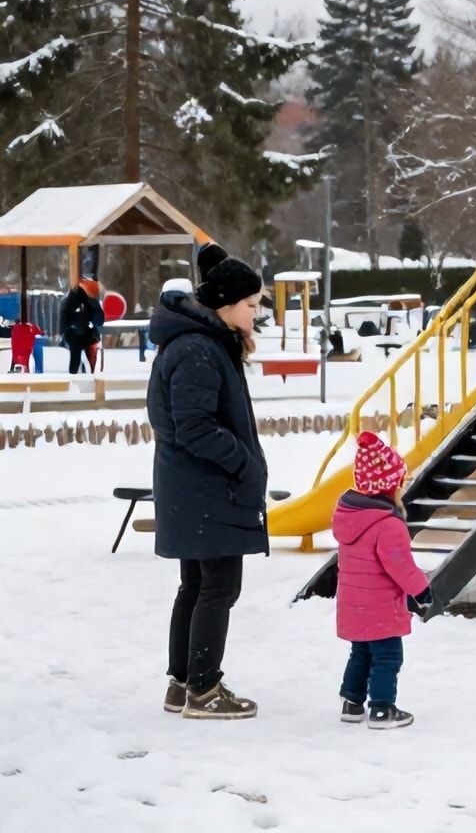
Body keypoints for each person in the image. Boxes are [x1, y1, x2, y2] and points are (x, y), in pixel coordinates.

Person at [147, 243, 269, 720]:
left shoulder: (202, 343)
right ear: (225, 305)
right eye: (251, 305)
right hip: (207, 487)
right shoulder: (198, 350)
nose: (256, 314)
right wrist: (242, 463)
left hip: (195, 487)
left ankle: (182, 684)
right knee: (218, 586)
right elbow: (193, 425)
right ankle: (203, 688)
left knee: (196, 585)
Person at [333, 431, 432, 730]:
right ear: (390, 486)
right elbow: (400, 566)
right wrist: (422, 590)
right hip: (380, 607)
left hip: (354, 605)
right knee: (388, 656)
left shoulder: (350, 517)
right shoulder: (388, 525)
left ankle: (352, 703)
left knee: (360, 652)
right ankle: (381, 708)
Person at [60, 277, 104, 374]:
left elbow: (63, 319)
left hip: (80, 334)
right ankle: (86, 374)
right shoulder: (87, 302)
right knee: (81, 360)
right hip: (82, 334)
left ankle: (78, 375)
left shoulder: (71, 302)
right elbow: (99, 320)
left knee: (76, 360)